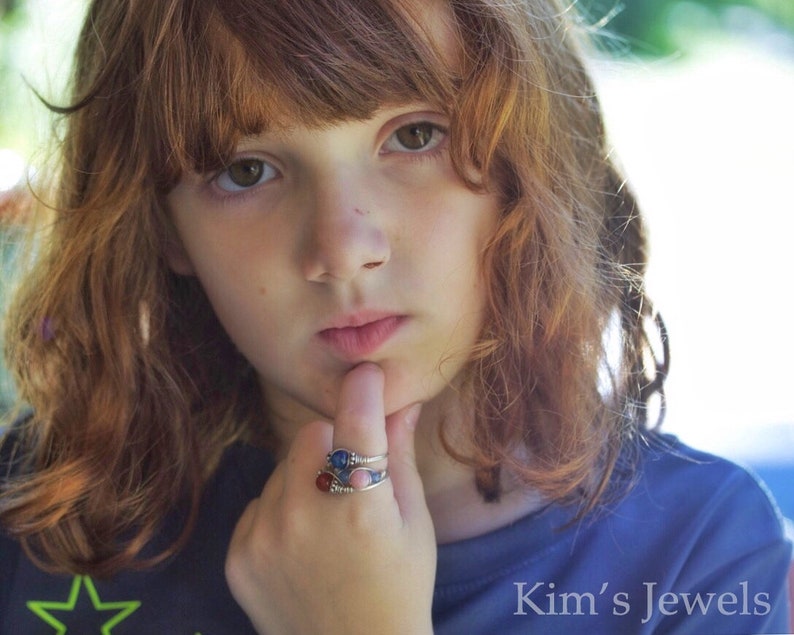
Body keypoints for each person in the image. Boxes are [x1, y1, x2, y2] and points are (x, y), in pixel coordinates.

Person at [0, 0, 790, 632]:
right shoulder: (47, 516)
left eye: (414, 136)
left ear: (527, 162)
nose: (343, 248)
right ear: (163, 225)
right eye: (246, 170)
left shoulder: (700, 558)